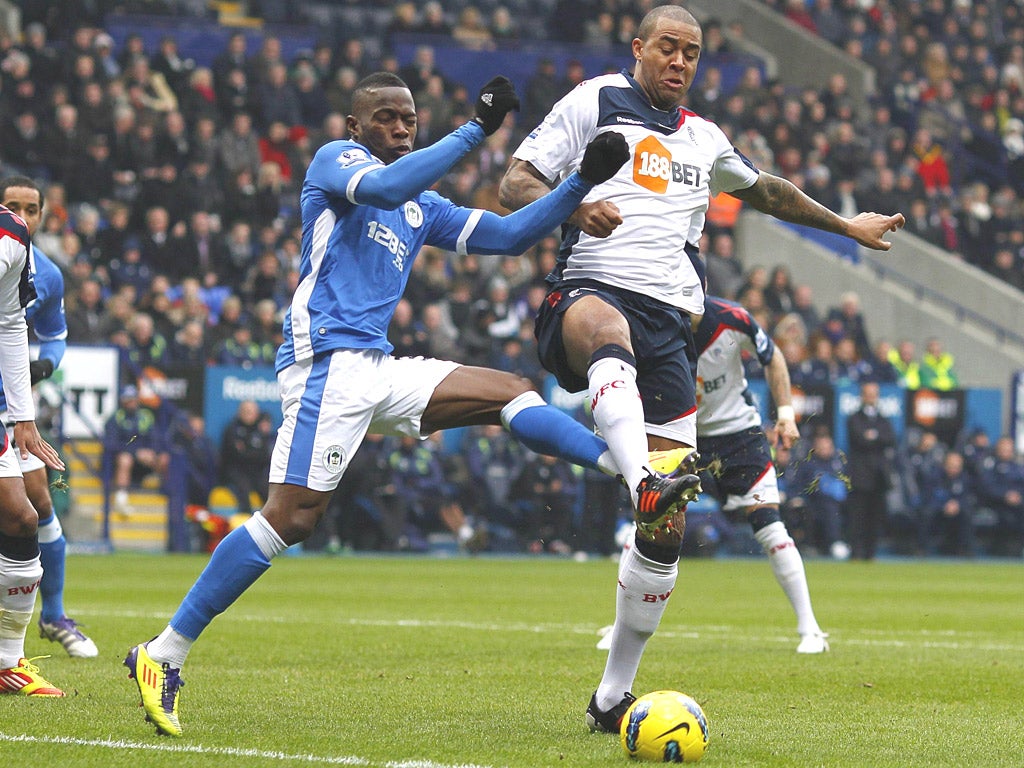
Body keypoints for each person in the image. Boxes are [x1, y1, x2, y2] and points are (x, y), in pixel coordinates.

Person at [124, 71, 652, 737]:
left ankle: (636, 474)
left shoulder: (420, 206)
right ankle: (161, 653)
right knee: (291, 518)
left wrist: (578, 185)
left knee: (511, 391)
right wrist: (475, 132)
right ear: (356, 126)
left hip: (375, 363)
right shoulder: (337, 165)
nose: (400, 128)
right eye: (387, 118)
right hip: (328, 366)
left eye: (408, 118)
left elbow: (510, 237)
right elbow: (383, 186)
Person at [498, 4, 904, 733]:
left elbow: (769, 190)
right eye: (668, 48)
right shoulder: (593, 102)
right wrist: (575, 202)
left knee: (665, 536)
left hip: (670, 334)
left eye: (691, 52)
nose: (680, 61)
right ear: (639, 48)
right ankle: (641, 479)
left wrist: (847, 227)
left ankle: (610, 696)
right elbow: (514, 183)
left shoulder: (706, 139)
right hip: (588, 294)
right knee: (609, 332)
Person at [685, 294, 829, 652]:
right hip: (681, 432)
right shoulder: (650, 322)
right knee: (652, 523)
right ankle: (619, 627)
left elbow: (773, 356)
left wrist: (785, 412)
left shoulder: (733, 320)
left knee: (769, 525)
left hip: (738, 435)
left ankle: (810, 629)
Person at [0, 176, 97, 658]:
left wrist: (45, 365)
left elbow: (53, 333)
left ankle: (53, 615)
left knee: (37, 503)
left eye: (31, 208)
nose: (23, 215)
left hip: (10, 408)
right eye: (12, 205)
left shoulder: (49, 276)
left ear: (42, 215)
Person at [0, 199, 67, 695]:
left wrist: (24, 417)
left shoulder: (13, 236)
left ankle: (7, 662)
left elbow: (10, 325)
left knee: (24, 517)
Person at [845, 381, 897, 560]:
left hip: (878, 476)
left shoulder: (883, 419)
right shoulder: (854, 418)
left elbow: (890, 438)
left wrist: (872, 436)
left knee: (874, 517)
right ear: (862, 396)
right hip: (859, 475)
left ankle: (870, 553)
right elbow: (859, 439)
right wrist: (875, 437)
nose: (871, 397)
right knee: (857, 516)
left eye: (874, 393)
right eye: (868, 393)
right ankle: (856, 552)